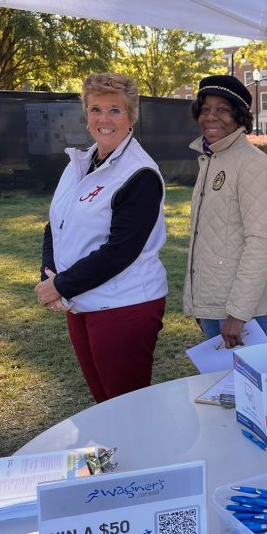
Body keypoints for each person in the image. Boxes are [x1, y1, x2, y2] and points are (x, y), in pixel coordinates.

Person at [35, 73, 167, 402]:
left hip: (124, 307)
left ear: (131, 116)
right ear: (86, 114)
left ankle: (139, 456)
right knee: (103, 404)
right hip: (81, 303)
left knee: (124, 409)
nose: (104, 119)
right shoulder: (80, 162)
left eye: (114, 110)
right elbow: (56, 223)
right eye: (95, 109)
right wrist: (50, 276)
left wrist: (61, 286)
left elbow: (121, 251)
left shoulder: (140, 174)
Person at [184, 75, 267, 348]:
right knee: (222, 389)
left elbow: (261, 243)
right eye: (205, 109)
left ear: (238, 117)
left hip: (243, 313)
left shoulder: (252, 164)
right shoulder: (211, 158)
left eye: (222, 109)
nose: (211, 117)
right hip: (215, 307)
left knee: (249, 390)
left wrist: (238, 313)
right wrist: (200, 306)